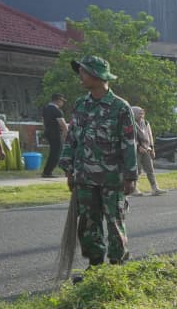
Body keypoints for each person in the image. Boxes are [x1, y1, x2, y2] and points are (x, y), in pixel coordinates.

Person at [59, 56, 138, 267]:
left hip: (112, 178)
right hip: (84, 177)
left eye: (84, 72)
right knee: (87, 223)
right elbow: (72, 138)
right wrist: (69, 170)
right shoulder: (80, 105)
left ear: (97, 75)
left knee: (114, 222)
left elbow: (128, 143)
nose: (80, 76)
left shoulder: (120, 107)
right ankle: (95, 266)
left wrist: (131, 176)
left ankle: (117, 266)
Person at [131, 105, 164, 196]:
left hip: (146, 148)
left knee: (150, 169)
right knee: (137, 169)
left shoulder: (145, 123)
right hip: (135, 150)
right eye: (139, 114)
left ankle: (155, 188)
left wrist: (152, 148)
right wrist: (138, 146)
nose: (141, 116)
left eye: (142, 114)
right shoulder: (130, 123)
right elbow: (130, 137)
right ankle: (134, 189)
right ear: (134, 114)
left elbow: (150, 135)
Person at [40, 93, 67, 178]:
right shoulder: (56, 110)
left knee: (53, 152)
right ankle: (47, 172)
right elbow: (63, 125)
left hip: (49, 133)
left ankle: (47, 171)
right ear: (58, 100)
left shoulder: (45, 108)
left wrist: (45, 134)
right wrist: (64, 136)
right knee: (56, 154)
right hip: (56, 134)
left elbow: (44, 123)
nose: (62, 103)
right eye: (62, 101)